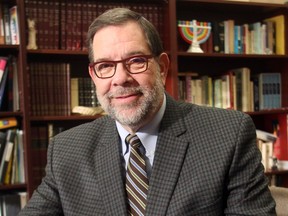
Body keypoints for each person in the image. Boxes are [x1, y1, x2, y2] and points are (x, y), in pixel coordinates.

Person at [19, 7, 276, 216]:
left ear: (162, 67)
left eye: (136, 61)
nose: (120, 78)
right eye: (106, 65)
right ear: (93, 75)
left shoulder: (226, 135)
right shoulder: (67, 150)